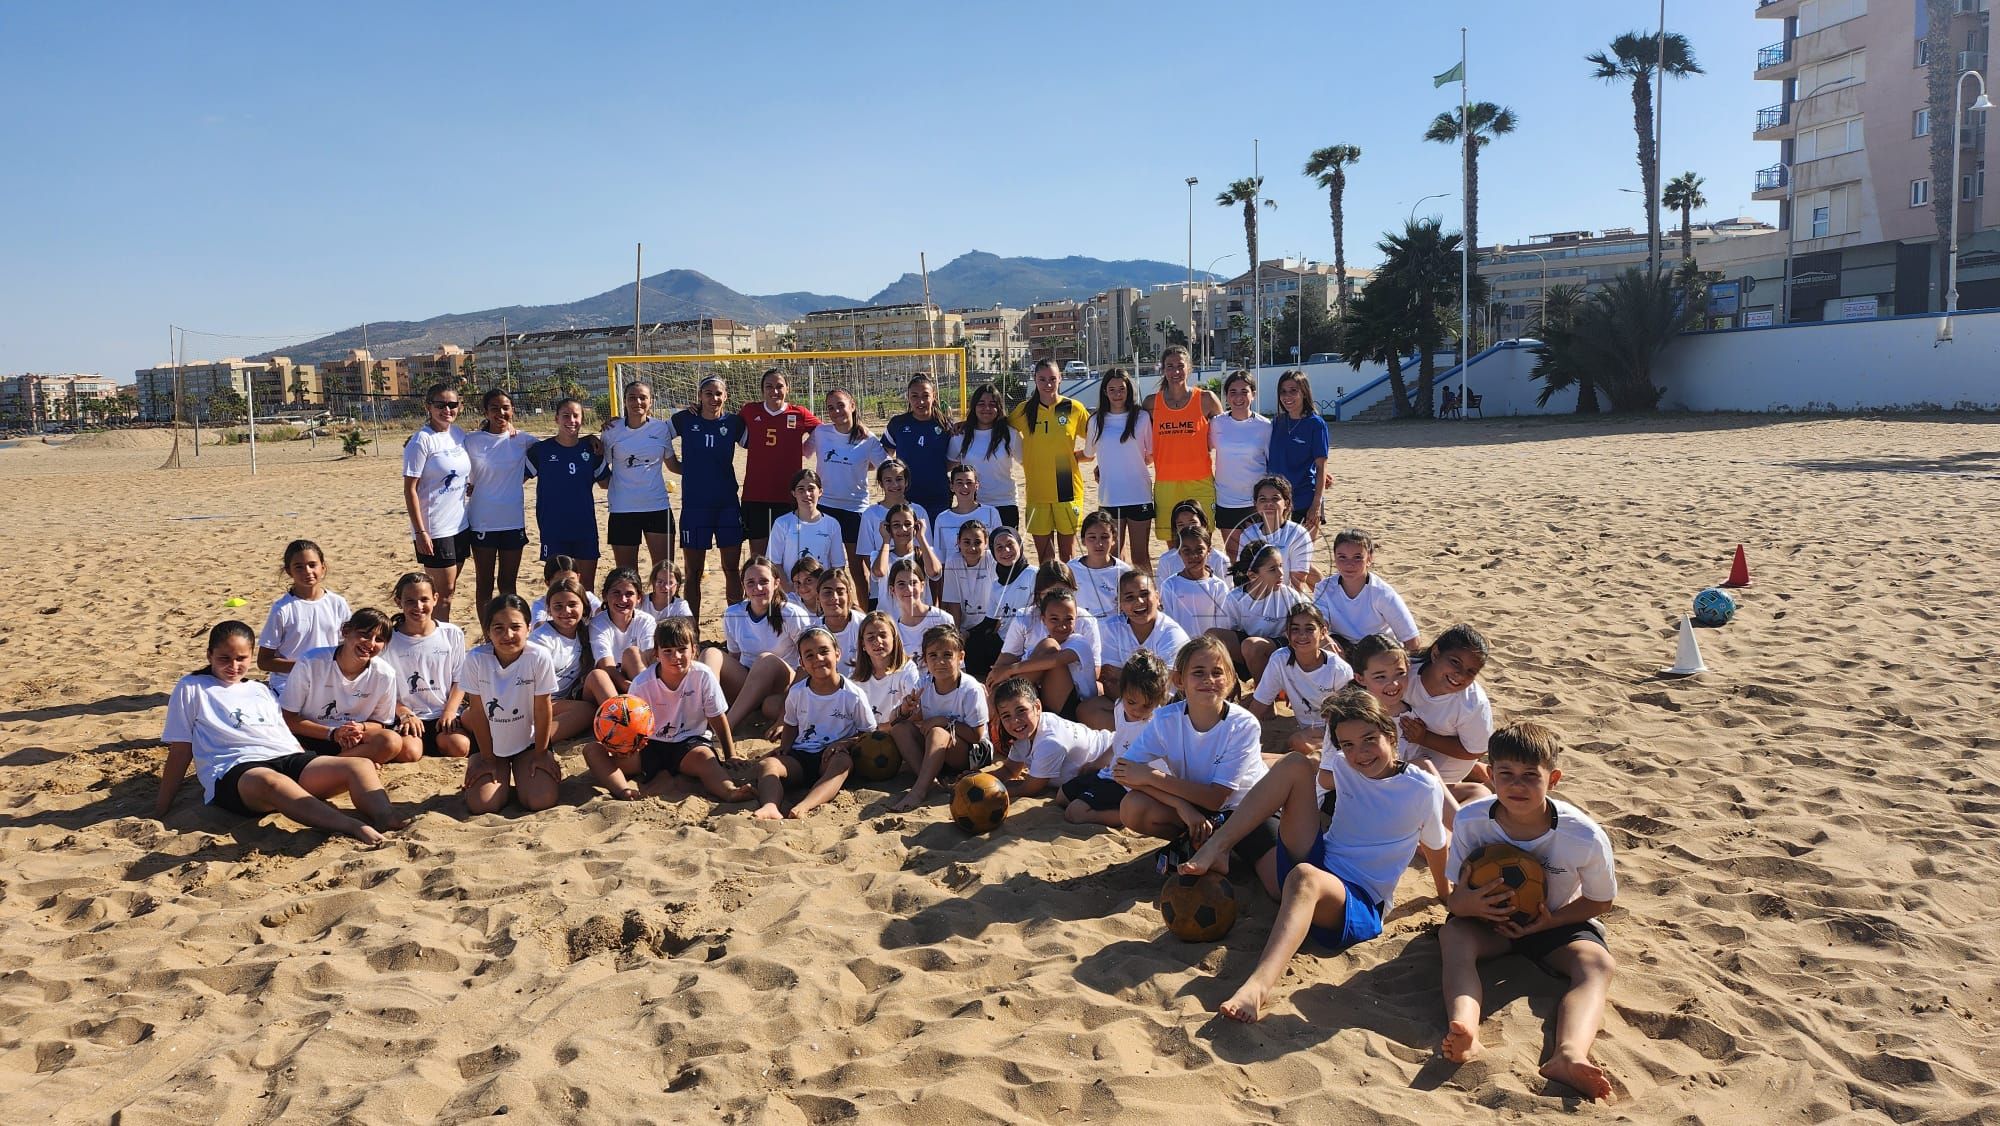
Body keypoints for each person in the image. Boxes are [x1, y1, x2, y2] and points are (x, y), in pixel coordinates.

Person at [1181, 687, 1448, 1023]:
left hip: (1358, 898)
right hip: (1321, 861)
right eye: (1347, 745)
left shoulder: (1422, 789)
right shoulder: (1344, 766)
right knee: (1294, 765)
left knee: (1304, 877)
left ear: (1389, 734)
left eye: (1369, 739)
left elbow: (1438, 847)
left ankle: (1259, 986)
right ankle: (1216, 848)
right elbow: (1298, 778)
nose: (1360, 754)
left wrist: (1445, 894)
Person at [1440, 722, 1618, 1102]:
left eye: (1529, 776)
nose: (1517, 786)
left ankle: (1569, 1053)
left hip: (1552, 921)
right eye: (1505, 774)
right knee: (1453, 937)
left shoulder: (1583, 835)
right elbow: (1455, 899)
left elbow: (1600, 901)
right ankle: (1466, 1028)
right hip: (1486, 920)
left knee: (1597, 965)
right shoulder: (1472, 822)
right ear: (1489, 775)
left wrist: (1552, 920)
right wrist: (1469, 905)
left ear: (1553, 778)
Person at [157, 621, 404, 844]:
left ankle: (388, 819)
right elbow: (181, 749)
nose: (233, 666)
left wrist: (311, 760)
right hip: (237, 767)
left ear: (251, 657)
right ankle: (351, 826)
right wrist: (161, 807)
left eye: (241, 658)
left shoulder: (259, 689)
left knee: (360, 765)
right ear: (209, 655)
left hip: (286, 756)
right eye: (224, 658)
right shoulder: (192, 687)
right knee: (272, 782)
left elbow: (283, 731)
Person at [1113, 635, 1271, 882]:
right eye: (1198, 672)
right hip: (1201, 812)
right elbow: (1122, 770)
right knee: (1132, 807)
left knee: (1276, 886)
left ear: (1230, 680)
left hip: (1246, 812)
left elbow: (1216, 797)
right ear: (1179, 680)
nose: (1209, 680)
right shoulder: (1166, 719)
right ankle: (1205, 844)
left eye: (1217, 672)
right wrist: (1181, 806)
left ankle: (1224, 849)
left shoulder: (1243, 724)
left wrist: (1151, 776)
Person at [585, 616, 754, 802]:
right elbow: (630, 723)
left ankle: (729, 791)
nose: (676, 657)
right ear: (656, 654)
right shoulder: (642, 683)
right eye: (668, 651)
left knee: (706, 760)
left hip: (689, 742)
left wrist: (730, 754)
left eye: (682, 649)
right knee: (592, 751)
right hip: (648, 744)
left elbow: (717, 718)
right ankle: (623, 791)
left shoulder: (702, 675)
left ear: (694, 650)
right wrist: (625, 747)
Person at [750, 627, 874, 820]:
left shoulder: (853, 695)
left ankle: (805, 805)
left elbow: (868, 733)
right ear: (802, 663)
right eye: (809, 655)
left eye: (824, 651)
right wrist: (785, 748)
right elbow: (790, 723)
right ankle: (770, 806)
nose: (818, 659)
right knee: (768, 765)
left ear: (837, 653)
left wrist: (845, 743)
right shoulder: (798, 692)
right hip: (802, 755)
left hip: (832, 757)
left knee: (843, 763)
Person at [458, 594, 561, 814]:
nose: (508, 635)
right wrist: (487, 759)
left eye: (516, 627)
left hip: (529, 742)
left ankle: (523, 778)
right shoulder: (475, 659)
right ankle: (500, 777)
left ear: (529, 628)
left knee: (540, 800)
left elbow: (543, 709)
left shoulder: (539, 657)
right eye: (498, 628)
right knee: (483, 805)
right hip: (491, 743)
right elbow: (477, 712)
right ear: (487, 631)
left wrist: (542, 754)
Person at [279, 607, 406, 765]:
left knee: (392, 741)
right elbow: (288, 718)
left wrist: (360, 728)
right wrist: (333, 733)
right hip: (311, 734)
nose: (371, 643)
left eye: (379, 639)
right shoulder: (311, 662)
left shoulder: (385, 674)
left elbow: (380, 723)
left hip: (353, 740)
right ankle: (336, 766)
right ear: (346, 631)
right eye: (364, 635)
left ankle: (329, 765)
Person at [670, 375, 748, 624]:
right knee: (693, 573)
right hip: (695, 507)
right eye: (708, 393)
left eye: (718, 394)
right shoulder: (684, 420)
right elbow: (653, 435)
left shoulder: (735, 423)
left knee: (731, 569)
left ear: (726, 396)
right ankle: (691, 630)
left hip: (727, 505)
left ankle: (737, 631)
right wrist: (676, 466)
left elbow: (761, 443)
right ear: (700, 396)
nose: (713, 398)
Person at [889, 625, 992, 812]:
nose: (940, 662)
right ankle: (930, 781)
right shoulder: (925, 684)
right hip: (939, 750)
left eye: (947, 655)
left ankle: (919, 791)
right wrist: (905, 709)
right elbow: (903, 721)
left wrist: (943, 721)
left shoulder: (971, 689)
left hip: (973, 751)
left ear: (960, 657)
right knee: (900, 729)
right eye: (933, 655)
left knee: (937, 732)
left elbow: (977, 735)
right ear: (925, 660)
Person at [1059, 650, 1170, 826]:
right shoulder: (1119, 707)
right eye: (1131, 702)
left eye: (1147, 705)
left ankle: (1126, 817)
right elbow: (1119, 741)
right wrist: (1097, 763)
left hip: (1131, 784)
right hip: (1111, 773)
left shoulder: (1157, 726)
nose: (1137, 710)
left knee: (1075, 813)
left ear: (1159, 701)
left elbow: (1163, 771)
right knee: (1062, 796)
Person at [705, 556, 815, 730]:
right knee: (711, 653)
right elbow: (735, 656)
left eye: (764, 581)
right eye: (751, 582)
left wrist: (786, 709)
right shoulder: (733, 613)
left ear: (776, 583)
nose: (757, 588)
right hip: (748, 681)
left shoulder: (792, 613)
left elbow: (808, 662)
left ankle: (725, 728)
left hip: (783, 683)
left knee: (765, 660)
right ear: (743, 586)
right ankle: (697, 718)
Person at [463, 388, 541, 614]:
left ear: (513, 411)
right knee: (484, 585)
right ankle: (489, 637)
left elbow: (555, 447)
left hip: (512, 521)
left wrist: (590, 439)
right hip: (483, 521)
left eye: (505, 408)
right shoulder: (472, 440)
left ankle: (509, 628)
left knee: (508, 584)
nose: (500, 412)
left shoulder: (523, 439)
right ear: (485, 412)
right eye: (494, 408)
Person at [1008, 360, 1091, 564]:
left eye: (1052, 379)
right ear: (1035, 380)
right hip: (1037, 488)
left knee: (1068, 555)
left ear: (1060, 378)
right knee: (1045, 557)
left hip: (1066, 485)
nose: (1048, 384)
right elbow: (995, 428)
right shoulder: (1025, 410)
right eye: (1042, 379)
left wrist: (1077, 457)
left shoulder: (1072, 408)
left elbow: (1096, 441)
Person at [1402, 624, 1496, 804]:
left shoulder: (1473, 704)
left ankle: (1485, 782)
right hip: (1403, 746)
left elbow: (1475, 750)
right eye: (1455, 662)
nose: (1460, 675)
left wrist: (1424, 738)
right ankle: (1478, 771)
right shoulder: (1405, 672)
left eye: (1471, 672)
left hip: (1447, 760)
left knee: (1421, 793)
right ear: (1436, 653)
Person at [403, 382, 473, 622]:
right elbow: (410, 489)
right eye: (440, 405)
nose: (447, 410)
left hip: (460, 525)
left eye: (452, 404)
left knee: (450, 592)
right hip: (435, 529)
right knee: (440, 596)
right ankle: (435, 641)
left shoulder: (457, 434)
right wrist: (421, 531)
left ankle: (441, 639)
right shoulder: (421, 441)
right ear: (428, 407)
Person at [382, 571, 471, 759]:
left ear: (435, 599)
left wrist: (450, 711)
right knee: (409, 753)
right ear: (399, 602)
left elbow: (460, 679)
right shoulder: (388, 640)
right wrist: (404, 713)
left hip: (443, 714)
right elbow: (381, 689)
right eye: (410, 601)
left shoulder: (452, 633)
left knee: (459, 747)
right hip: (407, 715)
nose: (418, 607)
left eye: (424, 599)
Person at [1246, 605, 1355, 758]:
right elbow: (1259, 705)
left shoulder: (1339, 669)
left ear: (1323, 632)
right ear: (1287, 634)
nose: (1302, 635)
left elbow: (1352, 716)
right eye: (1295, 629)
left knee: (1298, 743)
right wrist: (1240, 736)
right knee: (1297, 743)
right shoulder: (1280, 660)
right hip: (1309, 732)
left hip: (1337, 732)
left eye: (1310, 629)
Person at [1084, 570, 1191, 722]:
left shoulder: (1173, 634)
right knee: (1087, 710)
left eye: (1144, 594)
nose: (1139, 602)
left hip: (1163, 708)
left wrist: (1123, 677)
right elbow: (1108, 679)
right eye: (1129, 597)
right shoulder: (1111, 628)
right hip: (1124, 703)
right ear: (1120, 604)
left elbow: (1161, 689)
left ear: (1157, 597)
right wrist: (1133, 700)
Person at [598, 380, 677, 579]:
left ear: (651, 401)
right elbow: (600, 468)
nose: (638, 402)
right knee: (627, 577)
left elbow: (673, 465)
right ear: (624, 401)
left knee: (665, 575)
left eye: (643, 397)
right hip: (623, 509)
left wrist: (705, 470)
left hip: (657, 507)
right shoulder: (611, 430)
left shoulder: (661, 429)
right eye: (632, 397)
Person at [738, 368, 821, 558]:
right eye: (769, 386)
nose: (774, 391)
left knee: (787, 555)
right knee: (758, 556)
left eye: (779, 386)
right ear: (762, 390)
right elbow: (724, 422)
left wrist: (805, 449)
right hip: (756, 495)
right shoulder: (750, 411)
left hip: (788, 496)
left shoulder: (799, 413)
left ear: (787, 388)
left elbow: (825, 432)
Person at [810, 388, 884, 599]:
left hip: (854, 508)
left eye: (840, 405)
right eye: (830, 408)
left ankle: (865, 609)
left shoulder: (867, 438)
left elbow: (886, 465)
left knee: (857, 565)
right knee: (825, 564)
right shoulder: (821, 432)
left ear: (852, 405)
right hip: (825, 506)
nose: (836, 411)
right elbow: (801, 450)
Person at [530, 398, 608, 595]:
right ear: (556, 418)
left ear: (582, 419)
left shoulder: (590, 450)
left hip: (584, 527)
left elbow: (605, 483)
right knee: (559, 588)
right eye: (566, 415)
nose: (571, 420)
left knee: (586, 588)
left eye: (576, 416)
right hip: (553, 528)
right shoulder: (541, 450)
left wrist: (605, 447)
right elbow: (513, 479)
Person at [256, 538, 352, 699]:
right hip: (289, 682)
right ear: (289, 571)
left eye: (312, 565)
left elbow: (348, 643)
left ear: (323, 567)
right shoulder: (282, 609)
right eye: (299, 567)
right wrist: (306, 666)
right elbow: (264, 661)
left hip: (330, 680)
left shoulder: (338, 603)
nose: (307, 571)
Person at [1147, 344, 1222, 546]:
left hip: (1200, 481)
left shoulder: (1206, 399)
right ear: (1163, 369)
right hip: (1166, 483)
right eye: (1170, 366)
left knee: (1202, 543)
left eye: (1180, 366)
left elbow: (1225, 435)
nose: (1175, 372)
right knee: (1173, 546)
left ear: (1189, 368)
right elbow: (1135, 439)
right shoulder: (1151, 403)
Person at [993, 676, 1114, 799]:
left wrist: (988, 792)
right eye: (1006, 716)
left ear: (1037, 707)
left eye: (1021, 710)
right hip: (1111, 752)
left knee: (1074, 809)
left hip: (1114, 762)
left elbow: (1028, 789)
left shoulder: (1050, 742)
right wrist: (977, 778)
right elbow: (1010, 770)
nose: (1015, 720)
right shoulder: (1028, 729)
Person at [1085, 367, 1155, 571]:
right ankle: (1117, 601)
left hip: (1139, 495)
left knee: (1140, 557)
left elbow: (1149, 456)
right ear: (1105, 392)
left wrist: (1126, 461)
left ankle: (1150, 599)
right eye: (1112, 389)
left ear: (1129, 390)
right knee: (1114, 556)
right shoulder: (1096, 421)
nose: (1117, 394)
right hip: (1110, 497)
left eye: (1121, 389)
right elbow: (1090, 454)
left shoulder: (1141, 417)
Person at [1312, 529, 1422, 653]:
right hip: (1342, 647)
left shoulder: (1382, 593)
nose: (1349, 564)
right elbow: (1319, 624)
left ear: (1369, 559)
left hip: (1377, 651)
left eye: (1357, 557)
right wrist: (1325, 638)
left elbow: (1412, 640)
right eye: (1342, 557)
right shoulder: (1324, 588)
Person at [1213, 542, 1309, 683]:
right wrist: (1230, 675)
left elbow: (1309, 622)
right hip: (1248, 653)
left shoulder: (1289, 596)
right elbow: (1224, 637)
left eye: (1281, 566)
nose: (1281, 573)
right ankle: (1231, 681)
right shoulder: (1235, 598)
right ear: (1252, 575)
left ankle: (1263, 694)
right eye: (1272, 569)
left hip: (1280, 652)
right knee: (1213, 635)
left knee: (1252, 646)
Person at [1006, 588, 1099, 721]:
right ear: (1043, 620)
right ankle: (1006, 704)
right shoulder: (1037, 649)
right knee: (1045, 648)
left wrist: (1007, 670)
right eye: (1054, 619)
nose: (1062, 626)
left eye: (1068, 619)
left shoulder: (1080, 642)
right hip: (1047, 705)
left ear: (1076, 619)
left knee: (1049, 647)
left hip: (1077, 710)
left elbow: (1056, 661)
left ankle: (1005, 701)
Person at [527, 575, 596, 744]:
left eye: (572, 605)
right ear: (549, 610)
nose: (566, 612)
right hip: (531, 700)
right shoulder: (541, 639)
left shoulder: (586, 633)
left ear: (584, 607)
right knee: (586, 712)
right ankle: (530, 742)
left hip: (558, 701)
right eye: (558, 606)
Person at [1210, 370, 1273, 553]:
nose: (1238, 397)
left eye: (1244, 391)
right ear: (1226, 396)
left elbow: (1274, 461)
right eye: (1233, 392)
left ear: (1253, 394)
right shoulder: (1216, 423)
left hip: (1256, 501)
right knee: (1232, 555)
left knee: (1259, 555)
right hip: (1226, 500)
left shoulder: (1265, 426)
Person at [856, 459, 929, 604]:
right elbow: (866, 556)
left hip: (915, 592)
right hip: (882, 591)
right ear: (881, 483)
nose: (894, 484)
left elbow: (927, 552)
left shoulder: (919, 511)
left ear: (906, 482)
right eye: (888, 480)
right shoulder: (870, 514)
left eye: (899, 479)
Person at [883, 373, 953, 519]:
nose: (920, 401)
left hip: (938, 496)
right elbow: (883, 455)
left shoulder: (946, 425)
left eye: (925, 395)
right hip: (906, 496)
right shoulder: (898, 423)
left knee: (934, 540)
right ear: (908, 397)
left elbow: (954, 459)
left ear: (933, 396)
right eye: (915, 396)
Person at [1268, 369, 1331, 533]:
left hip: (1305, 498)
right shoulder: (1277, 423)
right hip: (1276, 500)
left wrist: (1316, 504)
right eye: (1283, 392)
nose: (1287, 396)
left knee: (1303, 554)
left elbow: (1321, 467)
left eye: (1293, 391)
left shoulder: (1316, 424)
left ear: (1304, 393)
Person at [767, 467, 846, 592]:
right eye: (801, 489)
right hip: (792, 595)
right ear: (794, 493)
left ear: (820, 491)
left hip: (821, 595)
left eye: (811, 489)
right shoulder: (782, 523)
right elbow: (773, 563)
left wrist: (827, 591)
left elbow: (838, 565)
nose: (807, 494)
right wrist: (789, 591)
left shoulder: (832, 524)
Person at [953, 383, 1020, 530]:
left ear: (999, 407)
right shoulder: (960, 435)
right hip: (973, 504)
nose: (986, 408)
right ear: (974, 406)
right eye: (981, 403)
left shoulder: (1010, 434)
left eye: (992, 404)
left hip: (1005, 503)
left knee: (1005, 551)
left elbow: (1029, 464)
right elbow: (948, 465)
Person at [941, 520, 1002, 677]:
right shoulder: (953, 561)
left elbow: (999, 599)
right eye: (966, 542)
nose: (972, 548)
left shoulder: (991, 560)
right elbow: (953, 602)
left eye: (978, 542)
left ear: (986, 543)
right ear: (958, 543)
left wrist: (989, 630)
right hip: (967, 629)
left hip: (992, 625)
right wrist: (958, 634)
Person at [852, 609, 923, 742]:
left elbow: (918, 714)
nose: (877, 641)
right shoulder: (855, 677)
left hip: (899, 737)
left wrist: (884, 727)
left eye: (883, 635)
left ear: (894, 638)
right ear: (863, 644)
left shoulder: (907, 669)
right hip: (866, 740)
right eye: (871, 637)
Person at [588, 568, 656, 700]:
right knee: (598, 675)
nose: (623, 599)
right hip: (608, 686)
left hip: (637, 682)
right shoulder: (597, 623)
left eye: (629, 594)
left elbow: (651, 659)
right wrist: (632, 688)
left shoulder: (646, 621)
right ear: (605, 596)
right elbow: (606, 666)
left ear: (639, 598)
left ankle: (645, 705)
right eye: (616, 593)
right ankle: (622, 715)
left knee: (633, 653)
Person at [1238, 476, 1315, 590]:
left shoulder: (1298, 534)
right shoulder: (1248, 534)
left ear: (1286, 503)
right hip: (1256, 596)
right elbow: (1243, 574)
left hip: (1286, 598)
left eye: (1275, 498)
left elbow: (1298, 581)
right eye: (1263, 499)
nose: (1269, 503)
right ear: (1256, 504)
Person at [1158, 525, 1231, 640]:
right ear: (1178, 552)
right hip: (1180, 648)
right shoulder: (1169, 586)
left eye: (1199, 550)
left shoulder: (1218, 587)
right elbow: (1168, 623)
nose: (1193, 556)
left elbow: (1223, 625)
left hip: (1210, 647)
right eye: (1186, 550)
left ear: (1209, 551)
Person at [867, 502, 942, 613]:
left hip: (920, 621)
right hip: (890, 622)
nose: (903, 529)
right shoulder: (880, 555)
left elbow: (934, 572)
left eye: (908, 524)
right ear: (889, 529)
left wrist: (921, 537)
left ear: (915, 527)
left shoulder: (925, 553)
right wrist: (886, 540)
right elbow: (879, 572)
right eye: (896, 525)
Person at [1066, 509, 1134, 627]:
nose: (1099, 544)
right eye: (1092, 537)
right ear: (1083, 541)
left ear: (1114, 540)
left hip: (1114, 628)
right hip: (1080, 626)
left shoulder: (1123, 571)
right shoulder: (1071, 568)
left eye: (1104, 537)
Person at [932, 462, 1000, 571]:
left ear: (976, 485)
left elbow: (998, 549)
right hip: (954, 578)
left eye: (969, 482)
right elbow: (940, 558)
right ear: (951, 486)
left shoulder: (991, 513)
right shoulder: (942, 518)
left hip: (986, 577)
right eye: (959, 482)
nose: (964, 487)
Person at [884, 557, 953, 660]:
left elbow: (957, 665)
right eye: (901, 584)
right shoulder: (892, 631)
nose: (908, 589)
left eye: (913, 583)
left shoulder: (943, 619)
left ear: (922, 586)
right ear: (892, 590)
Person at [1156, 499, 1231, 583]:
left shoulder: (1220, 559)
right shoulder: (1166, 560)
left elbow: (1227, 593)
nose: (1188, 528)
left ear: (1203, 524)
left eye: (1193, 523)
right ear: (1175, 529)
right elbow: (1162, 592)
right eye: (1181, 525)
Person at [815, 568, 865, 676]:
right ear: (818, 597)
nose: (834, 598)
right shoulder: (812, 632)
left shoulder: (864, 625)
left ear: (849, 595)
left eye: (840, 592)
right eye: (827, 593)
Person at [530, 554, 601, 625]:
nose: (566, 585)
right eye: (559, 582)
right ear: (547, 583)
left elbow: (603, 615)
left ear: (578, 578)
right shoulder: (540, 605)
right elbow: (539, 626)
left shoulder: (588, 597)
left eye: (571, 580)